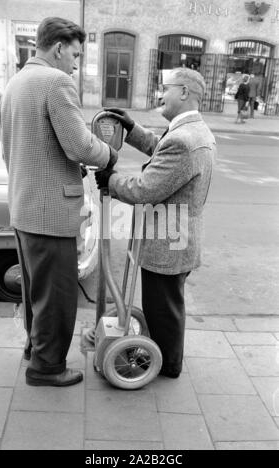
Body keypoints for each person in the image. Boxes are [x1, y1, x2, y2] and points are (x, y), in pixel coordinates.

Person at [0, 17, 118, 387]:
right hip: (50, 212)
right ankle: (47, 367)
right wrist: (109, 155)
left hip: (24, 206)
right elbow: (80, 144)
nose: (76, 64)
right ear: (58, 48)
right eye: (75, 55)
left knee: (37, 290)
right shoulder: (55, 81)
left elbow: (21, 149)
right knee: (57, 296)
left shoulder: (15, 83)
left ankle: (36, 350)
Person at [95, 67, 216, 378]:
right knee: (163, 305)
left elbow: (147, 188)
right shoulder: (189, 132)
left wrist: (112, 180)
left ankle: (167, 366)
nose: (161, 93)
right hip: (175, 237)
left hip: (169, 242)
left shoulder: (185, 140)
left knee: (163, 309)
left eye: (167, 87)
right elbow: (160, 150)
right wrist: (132, 129)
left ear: (185, 92)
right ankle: (165, 355)